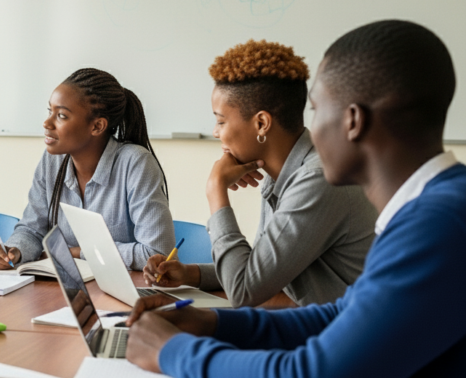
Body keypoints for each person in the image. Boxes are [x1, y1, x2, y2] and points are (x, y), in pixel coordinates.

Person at [125, 20, 463, 378]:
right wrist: (215, 325)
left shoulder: (439, 225)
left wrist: (172, 352)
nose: (307, 131)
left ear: (353, 121)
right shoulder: (430, 210)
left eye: (316, 110)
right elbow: (343, 314)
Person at [143, 40, 376, 308]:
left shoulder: (318, 180)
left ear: (261, 123)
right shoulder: (282, 174)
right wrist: (191, 275)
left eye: (221, 121)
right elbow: (260, 269)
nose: (216, 132)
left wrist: (216, 191)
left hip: (341, 339)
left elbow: (244, 290)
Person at [0, 68, 173, 270]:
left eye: (61, 115)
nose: (47, 123)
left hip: (126, 292)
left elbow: (156, 254)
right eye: (49, 112)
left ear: (97, 126)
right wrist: (15, 251)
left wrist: (78, 252)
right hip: (69, 287)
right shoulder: (52, 161)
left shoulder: (136, 163)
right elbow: (32, 229)